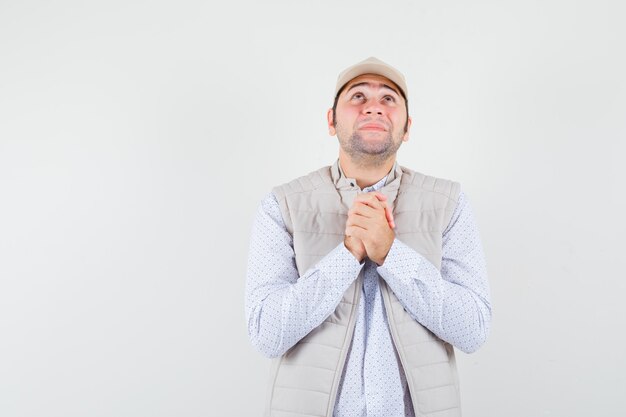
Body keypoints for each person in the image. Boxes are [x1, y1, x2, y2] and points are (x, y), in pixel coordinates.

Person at [245, 57, 492, 417]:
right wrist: (347, 256)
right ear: (331, 121)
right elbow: (266, 334)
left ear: (407, 127)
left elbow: (473, 329)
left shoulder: (449, 203)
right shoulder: (281, 205)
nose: (373, 106)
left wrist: (391, 253)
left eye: (389, 99)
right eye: (357, 96)